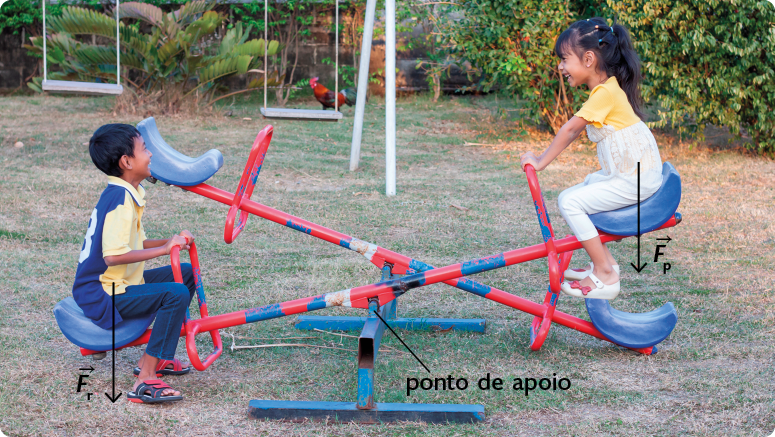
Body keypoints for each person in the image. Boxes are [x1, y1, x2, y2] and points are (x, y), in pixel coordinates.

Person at [520, 17, 663, 300]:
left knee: (569, 201)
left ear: (588, 59)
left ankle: (605, 274)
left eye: (564, 59)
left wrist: (539, 161)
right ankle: (606, 263)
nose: (560, 67)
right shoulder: (607, 89)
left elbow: (571, 129)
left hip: (636, 178)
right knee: (583, 189)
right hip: (632, 175)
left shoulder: (605, 92)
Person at [72, 123, 197, 403]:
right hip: (103, 293)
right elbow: (113, 256)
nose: (151, 154)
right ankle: (145, 381)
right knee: (174, 294)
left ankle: (150, 360)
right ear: (127, 162)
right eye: (144, 149)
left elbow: (134, 245)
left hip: (122, 282)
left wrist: (170, 240)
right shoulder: (119, 200)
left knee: (185, 274)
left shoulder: (126, 192)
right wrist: (165, 249)